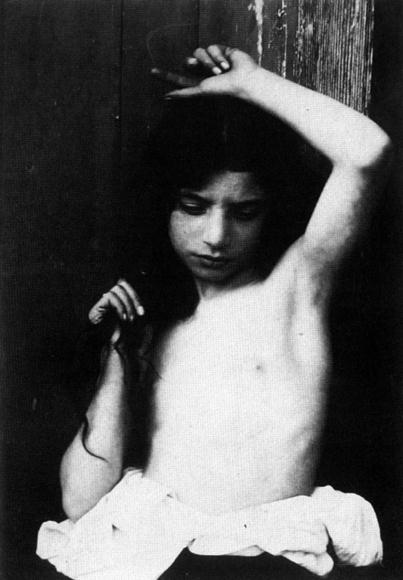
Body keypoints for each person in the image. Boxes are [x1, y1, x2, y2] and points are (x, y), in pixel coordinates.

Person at [37, 46, 392, 579]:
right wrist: (118, 351)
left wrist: (251, 83)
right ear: (163, 207)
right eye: (194, 207)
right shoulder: (156, 325)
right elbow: (80, 503)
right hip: (163, 557)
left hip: (263, 561)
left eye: (244, 212)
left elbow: (368, 153)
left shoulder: (295, 288)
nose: (217, 236)